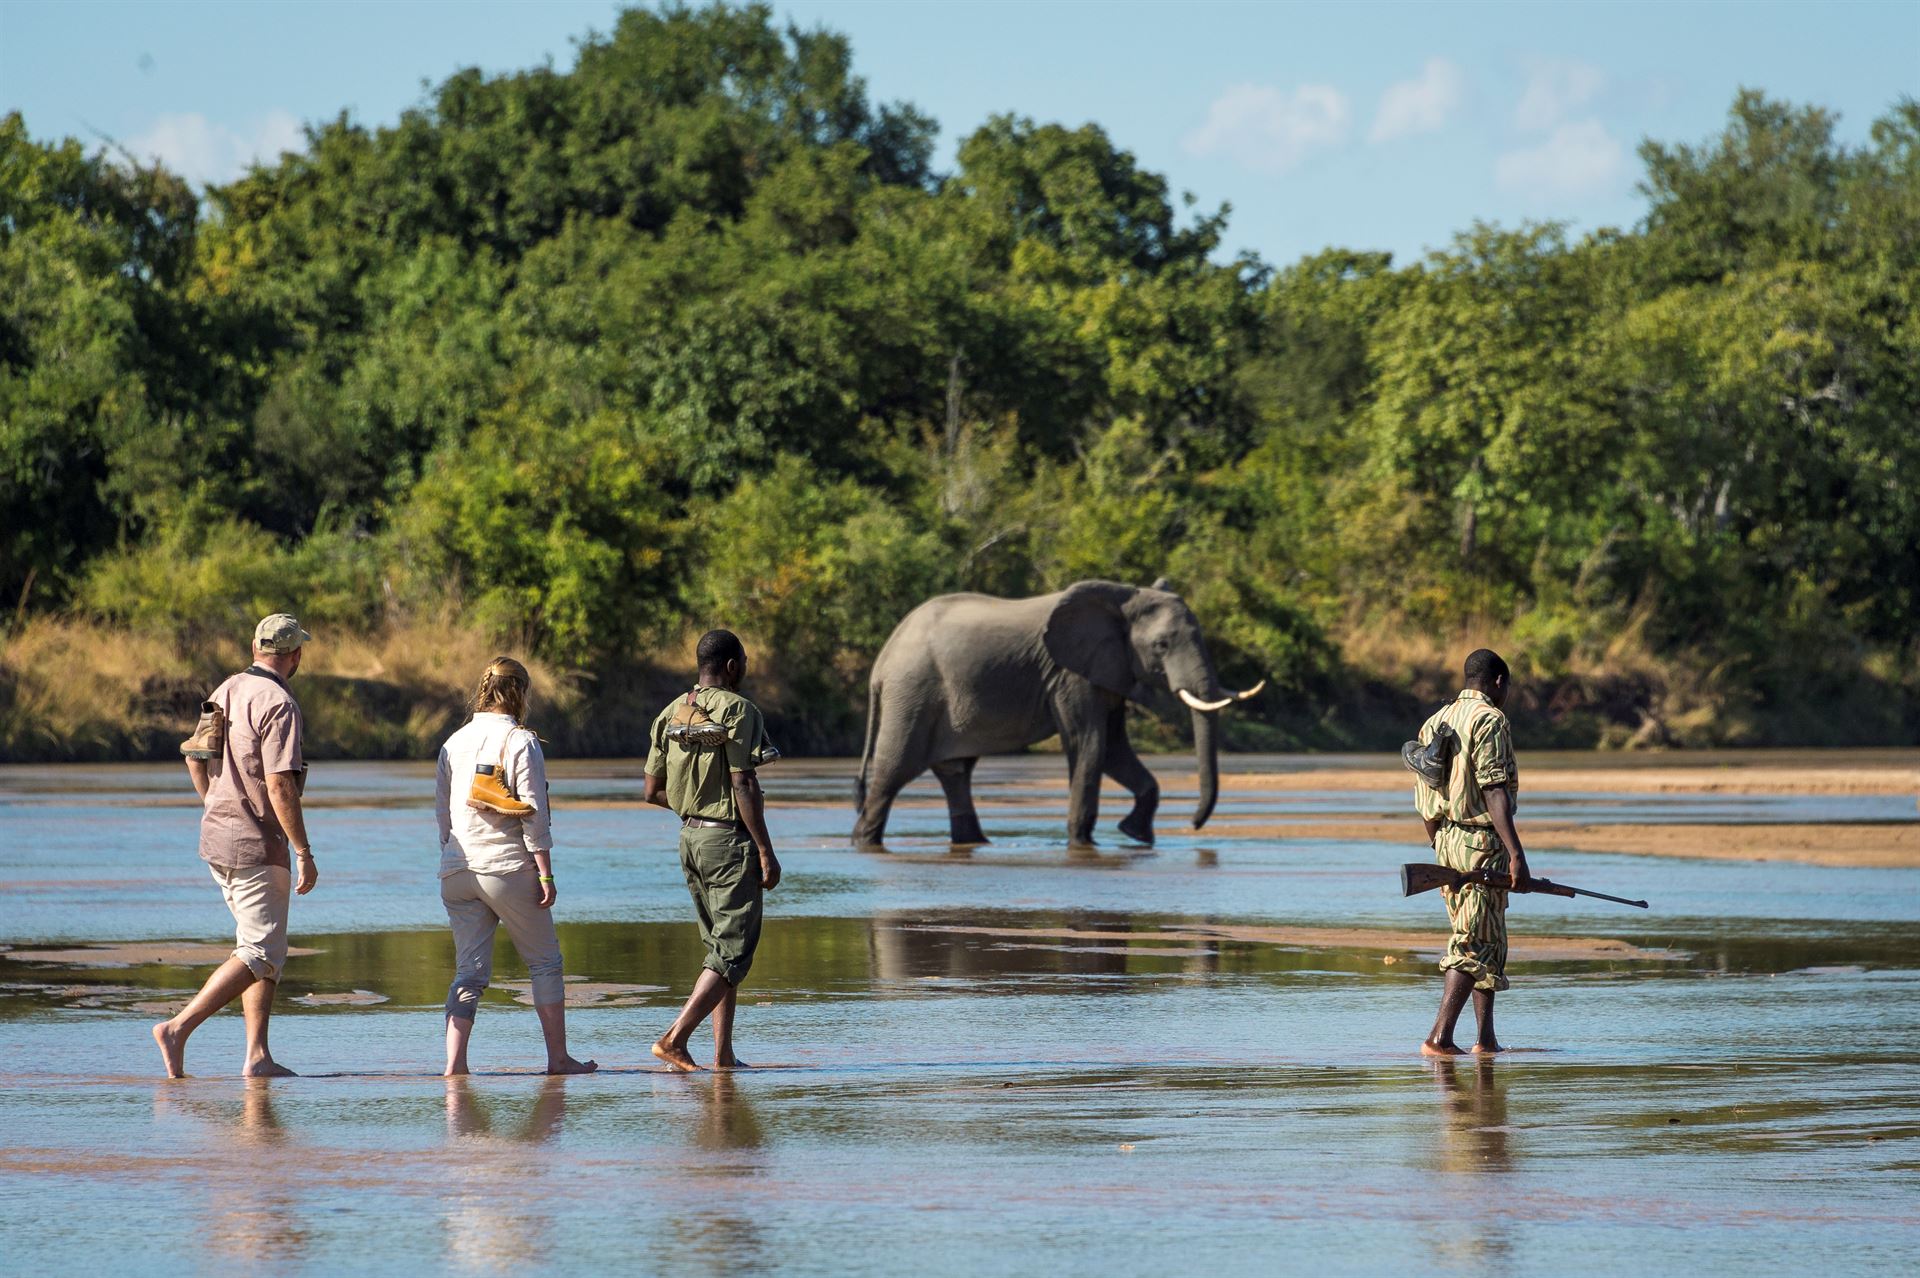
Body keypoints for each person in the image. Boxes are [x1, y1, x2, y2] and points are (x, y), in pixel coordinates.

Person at [153, 613, 319, 1078]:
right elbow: (281, 784)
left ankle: (257, 1056)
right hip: (255, 844)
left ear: (255, 647)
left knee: (259, 947)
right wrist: (303, 851)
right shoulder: (279, 703)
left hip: (217, 839)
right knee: (262, 953)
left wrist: (216, 804)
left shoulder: (225, 689)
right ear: (295, 655)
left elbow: (194, 755)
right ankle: (178, 1028)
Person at [435, 657, 595, 1076]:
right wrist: (545, 871)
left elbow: (442, 816)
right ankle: (558, 1059)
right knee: (545, 963)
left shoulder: (453, 741)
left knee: (468, 973)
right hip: (506, 867)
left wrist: (453, 855)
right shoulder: (521, 741)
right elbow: (532, 814)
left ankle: (455, 1065)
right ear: (521, 692)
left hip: (456, 868)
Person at [643, 629, 782, 1071]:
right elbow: (744, 781)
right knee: (733, 950)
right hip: (727, 842)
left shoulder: (670, 712)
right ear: (731, 666)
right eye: (744, 661)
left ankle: (723, 1055)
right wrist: (764, 849)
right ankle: (674, 1038)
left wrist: (693, 810)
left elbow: (652, 791)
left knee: (720, 949)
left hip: (690, 840)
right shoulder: (741, 710)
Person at [1413, 648, 1531, 1057]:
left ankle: (1486, 1039)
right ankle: (1439, 1038)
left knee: (1490, 939)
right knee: (1470, 942)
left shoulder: (1435, 722)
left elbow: (1425, 799)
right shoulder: (1490, 719)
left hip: (1446, 841)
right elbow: (1494, 788)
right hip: (1480, 842)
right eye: (1507, 687)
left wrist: (1442, 846)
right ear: (1498, 682)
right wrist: (1516, 853)